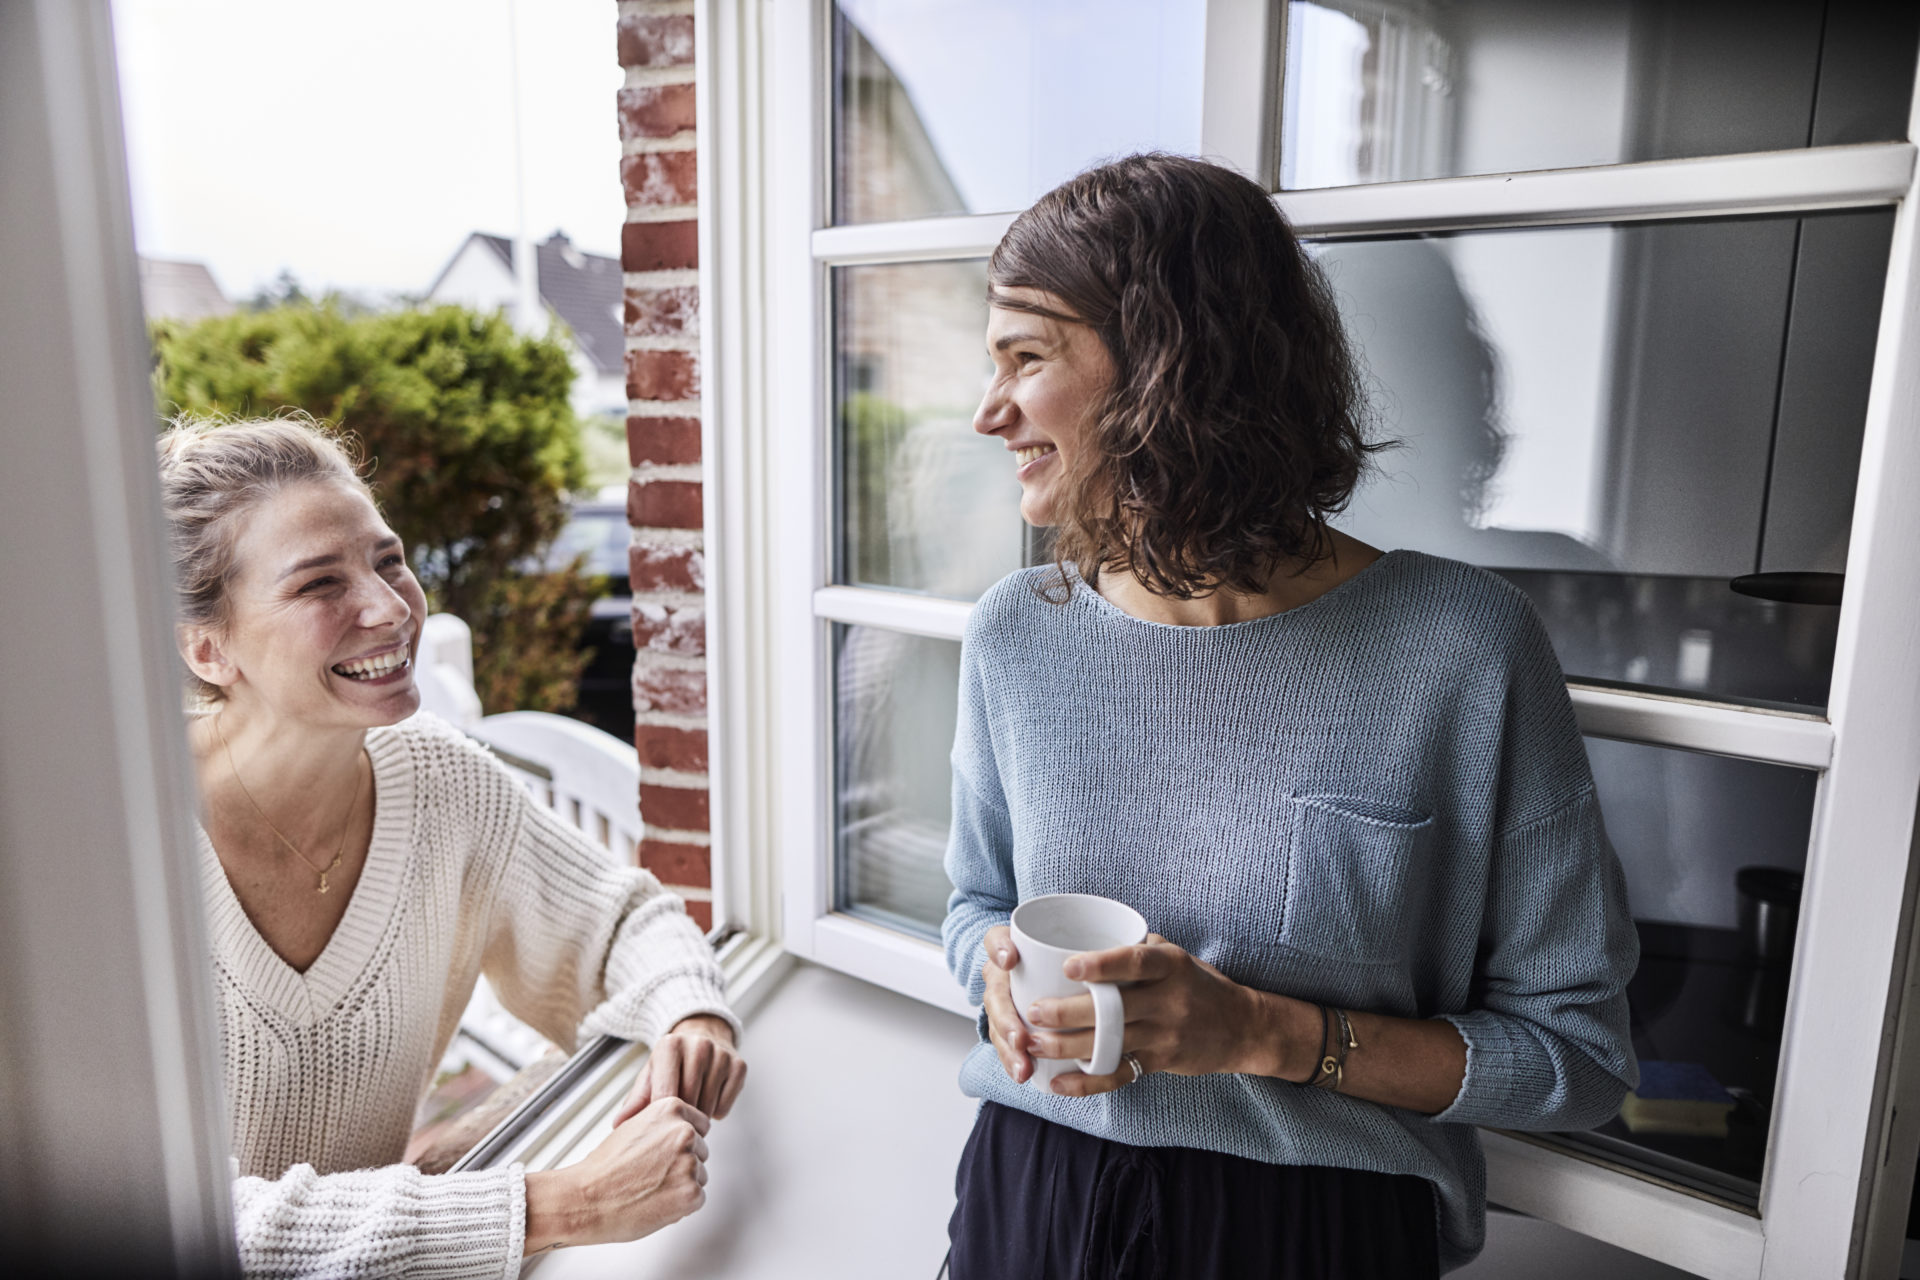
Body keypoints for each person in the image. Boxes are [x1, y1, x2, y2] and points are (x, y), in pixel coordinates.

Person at [941, 154, 1638, 1278]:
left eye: (1027, 356)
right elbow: (975, 898)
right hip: (1034, 1190)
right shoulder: (1016, 636)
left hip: (1314, 1230)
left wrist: (1265, 1034)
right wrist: (991, 967)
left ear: (1169, 366)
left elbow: (1574, 1055)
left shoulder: (1462, 649)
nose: (989, 410)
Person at [158, 415, 747, 1278]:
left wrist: (690, 1012)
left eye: (388, 559)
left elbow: (621, 921)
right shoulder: (116, 852)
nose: (391, 607)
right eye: (320, 584)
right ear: (206, 648)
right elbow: (170, 1216)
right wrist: (565, 1203)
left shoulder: (440, 781)